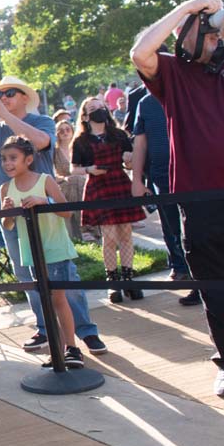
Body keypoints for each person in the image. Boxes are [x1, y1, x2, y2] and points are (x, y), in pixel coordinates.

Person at [131, 0, 224, 398]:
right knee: (219, 283)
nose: (211, 33)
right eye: (205, 28)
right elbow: (140, 52)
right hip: (203, 196)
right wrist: (188, 7)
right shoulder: (171, 70)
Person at [0, 76, 107, 356]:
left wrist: (2, 113)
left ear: (25, 96)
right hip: (11, 216)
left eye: (9, 93)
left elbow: (41, 142)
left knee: (64, 277)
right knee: (27, 275)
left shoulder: (42, 121)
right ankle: (45, 328)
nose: (3, 98)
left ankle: (86, 331)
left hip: (44, 216)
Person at [0, 136, 88, 368]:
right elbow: (7, 225)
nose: (7, 163)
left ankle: (72, 348)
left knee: (57, 299)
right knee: (46, 302)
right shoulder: (5, 188)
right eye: (4, 159)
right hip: (32, 253)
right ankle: (57, 350)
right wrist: (7, 212)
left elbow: (66, 212)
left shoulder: (45, 180)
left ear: (28, 159)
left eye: (13, 158)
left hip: (55, 248)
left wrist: (44, 201)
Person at [71, 96, 146, 303]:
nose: (98, 111)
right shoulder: (81, 141)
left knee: (126, 234)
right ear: (85, 116)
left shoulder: (118, 135)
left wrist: (129, 159)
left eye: (101, 107)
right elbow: (73, 168)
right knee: (110, 236)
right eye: (93, 108)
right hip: (99, 186)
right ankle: (113, 281)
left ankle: (129, 279)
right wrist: (90, 169)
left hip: (119, 183)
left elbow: (129, 162)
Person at [130, 90, 197, 304]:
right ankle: (186, 273)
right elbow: (140, 143)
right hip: (162, 178)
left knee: (201, 231)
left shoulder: (186, 92)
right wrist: (137, 180)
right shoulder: (145, 103)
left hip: (195, 175)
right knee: (172, 230)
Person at [53, 119, 86, 243]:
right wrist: (64, 179)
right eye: (61, 131)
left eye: (67, 129)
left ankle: (86, 229)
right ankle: (76, 232)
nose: (65, 132)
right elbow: (51, 174)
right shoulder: (55, 152)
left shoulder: (79, 148)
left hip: (81, 183)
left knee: (78, 181)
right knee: (73, 182)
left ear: (72, 131)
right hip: (63, 184)